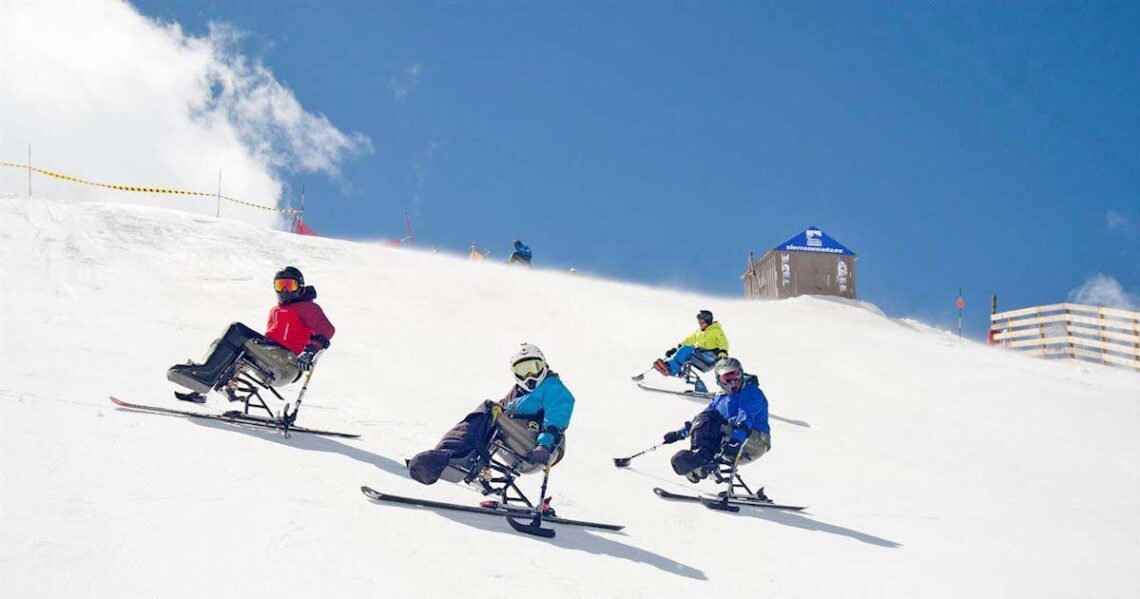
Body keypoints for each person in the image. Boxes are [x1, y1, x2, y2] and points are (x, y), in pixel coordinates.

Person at [407, 343, 575, 486]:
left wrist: (544, 445)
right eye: (523, 371)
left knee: (488, 411)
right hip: (522, 444)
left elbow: (556, 417)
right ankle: (463, 461)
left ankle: (447, 456)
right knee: (491, 415)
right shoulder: (519, 393)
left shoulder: (552, 387)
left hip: (540, 448)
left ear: (543, 365)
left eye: (533, 368)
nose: (529, 375)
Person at [166, 266, 335, 400]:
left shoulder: (307, 307)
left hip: (286, 365)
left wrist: (310, 353)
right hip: (272, 360)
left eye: (289, 286)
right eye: (280, 285)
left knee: (237, 331)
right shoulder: (277, 310)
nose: (284, 290)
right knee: (232, 344)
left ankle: (207, 373)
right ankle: (204, 386)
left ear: (300, 288)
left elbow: (327, 329)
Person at [663, 357, 770, 483]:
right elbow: (701, 420)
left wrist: (736, 440)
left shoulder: (751, 393)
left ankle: (703, 460)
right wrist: (680, 433)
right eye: (727, 379)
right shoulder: (721, 398)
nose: (733, 382)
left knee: (719, 422)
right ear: (719, 380)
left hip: (753, 442)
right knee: (707, 417)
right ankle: (701, 458)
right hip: (731, 439)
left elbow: (745, 417)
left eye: (735, 376)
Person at [652, 309, 729, 393]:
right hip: (700, 355)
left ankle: (672, 368)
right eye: (699, 322)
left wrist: (722, 354)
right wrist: (675, 349)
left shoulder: (716, 331)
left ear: (708, 322)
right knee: (687, 348)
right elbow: (688, 340)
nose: (700, 324)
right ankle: (670, 367)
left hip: (711, 357)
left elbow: (724, 343)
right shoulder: (698, 332)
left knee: (689, 351)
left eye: (702, 322)